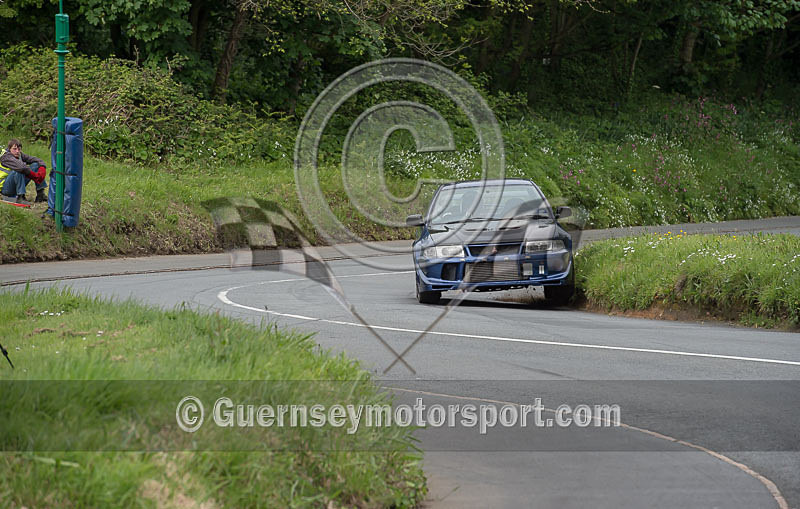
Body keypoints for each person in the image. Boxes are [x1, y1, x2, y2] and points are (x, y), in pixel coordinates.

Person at [0, 138, 47, 205]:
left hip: (15, 183)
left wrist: (42, 168)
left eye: (19, 149)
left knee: (36, 165)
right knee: (20, 170)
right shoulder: (6, 157)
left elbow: (35, 159)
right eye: (14, 149)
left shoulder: (19, 154)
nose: (17, 151)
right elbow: (21, 167)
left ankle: (40, 194)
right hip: (6, 188)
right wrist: (33, 175)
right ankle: (20, 197)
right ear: (9, 149)